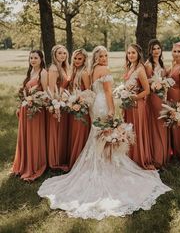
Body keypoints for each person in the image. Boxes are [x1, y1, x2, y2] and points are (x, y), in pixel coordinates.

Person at [38, 45, 171, 220]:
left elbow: (92, 90)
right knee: (105, 135)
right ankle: (107, 164)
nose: (104, 57)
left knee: (98, 136)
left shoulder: (92, 70)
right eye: (101, 55)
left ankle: (100, 160)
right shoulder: (104, 69)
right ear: (97, 57)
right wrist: (111, 110)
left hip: (94, 106)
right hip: (102, 105)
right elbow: (108, 92)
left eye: (106, 55)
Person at [12, 50, 47, 181]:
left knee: (34, 138)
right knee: (24, 138)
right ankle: (22, 165)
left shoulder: (43, 73)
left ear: (41, 59)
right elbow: (25, 92)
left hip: (36, 111)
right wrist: (20, 105)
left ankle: (34, 166)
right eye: (31, 58)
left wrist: (35, 100)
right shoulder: (30, 72)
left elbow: (46, 93)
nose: (33, 60)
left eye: (35, 58)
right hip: (25, 109)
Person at [123, 43, 154, 169]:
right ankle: (130, 157)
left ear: (138, 54)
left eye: (133, 53)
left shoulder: (140, 69)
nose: (130, 55)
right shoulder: (130, 67)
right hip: (129, 104)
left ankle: (139, 158)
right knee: (129, 131)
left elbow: (147, 90)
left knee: (137, 131)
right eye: (129, 53)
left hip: (137, 104)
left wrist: (134, 97)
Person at [145, 39, 170, 169]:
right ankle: (157, 158)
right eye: (154, 48)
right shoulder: (149, 65)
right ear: (150, 50)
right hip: (154, 97)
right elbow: (147, 83)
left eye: (158, 48)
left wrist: (165, 84)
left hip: (163, 97)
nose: (156, 51)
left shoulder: (161, 63)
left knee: (163, 124)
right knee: (157, 125)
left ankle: (164, 155)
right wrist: (156, 85)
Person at [47, 44, 70, 171]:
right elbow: (51, 89)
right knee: (56, 132)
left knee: (62, 132)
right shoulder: (54, 68)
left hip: (64, 103)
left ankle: (62, 157)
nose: (62, 55)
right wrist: (55, 106)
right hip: (57, 104)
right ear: (55, 55)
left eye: (64, 53)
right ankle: (54, 161)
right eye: (59, 53)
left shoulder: (64, 67)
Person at [67, 49, 91, 169]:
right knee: (74, 133)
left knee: (79, 133)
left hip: (81, 108)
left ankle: (80, 162)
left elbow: (88, 91)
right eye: (75, 58)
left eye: (79, 59)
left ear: (84, 60)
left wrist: (80, 101)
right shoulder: (74, 71)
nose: (77, 61)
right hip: (73, 106)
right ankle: (74, 159)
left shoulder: (84, 73)